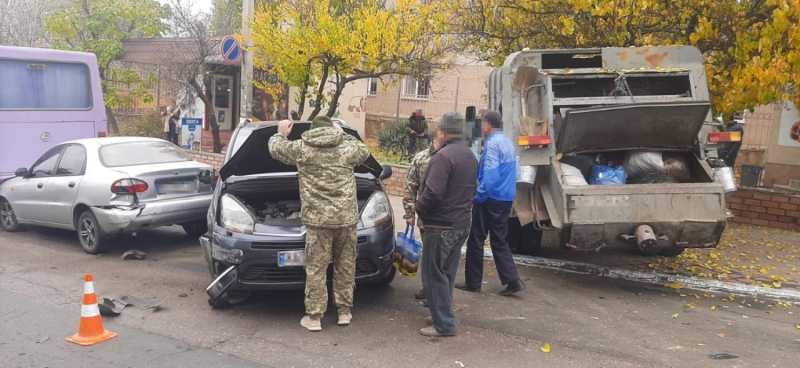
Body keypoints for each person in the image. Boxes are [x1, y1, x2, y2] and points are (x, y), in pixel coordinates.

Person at [268, 116, 370, 332]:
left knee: (316, 268)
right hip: (345, 220)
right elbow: (364, 149)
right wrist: (342, 133)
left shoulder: (302, 148)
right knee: (345, 265)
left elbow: (275, 149)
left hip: (317, 222)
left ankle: (314, 317)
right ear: (331, 129)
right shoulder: (346, 147)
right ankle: (344, 312)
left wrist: (281, 133)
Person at [415, 112, 478, 337]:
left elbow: (432, 192)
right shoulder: (469, 155)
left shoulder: (443, 157)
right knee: (447, 274)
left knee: (433, 275)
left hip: (440, 225)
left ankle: (443, 325)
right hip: (461, 224)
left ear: (444, 132)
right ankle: (441, 314)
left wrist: (419, 208)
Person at [456, 111, 526, 297]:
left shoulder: (492, 145)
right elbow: (516, 172)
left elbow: (491, 177)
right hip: (505, 198)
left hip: (489, 199)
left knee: (476, 240)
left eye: (482, 124)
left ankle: (473, 282)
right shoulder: (507, 142)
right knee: (499, 240)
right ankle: (513, 280)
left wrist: (478, 197)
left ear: (488, 125)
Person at [402, 130, 439, 302]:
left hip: (447, 219)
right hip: (426, 218)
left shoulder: (452, 157)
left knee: (441, 259)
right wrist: (409, 213)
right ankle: (428, 289)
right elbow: (411, 185)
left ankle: (438, 294)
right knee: (429, 257)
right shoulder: (421, 158)